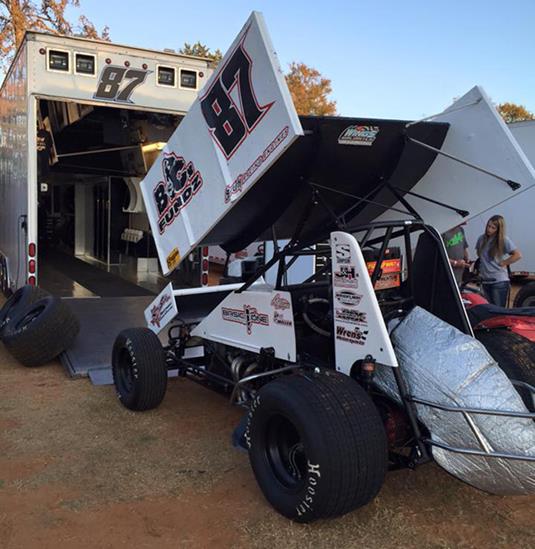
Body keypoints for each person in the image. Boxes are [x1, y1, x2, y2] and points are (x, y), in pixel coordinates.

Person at [476, 215, 522, 306]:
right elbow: (479, 253)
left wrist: (504, 262)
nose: (489, 229)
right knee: (488, 310)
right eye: (488, 226)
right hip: (485, 281)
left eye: (493, 228)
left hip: (499, 282)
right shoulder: (481, 238)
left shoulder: (503, 240)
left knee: (498, 311)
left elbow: (518, 255)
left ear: (498, 229)